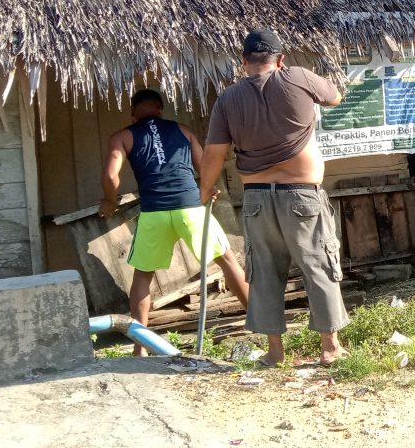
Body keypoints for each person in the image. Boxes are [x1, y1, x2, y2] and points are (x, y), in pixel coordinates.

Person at [199, 29, 350, 367]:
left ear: (243, 62)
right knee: (318, 267)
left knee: (264, 273)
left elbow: (213, 154)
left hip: (256, 201)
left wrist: (205, 190)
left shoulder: (227, 99)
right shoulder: (295, 76)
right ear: (281, 60)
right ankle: (330, 348)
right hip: (302, 197)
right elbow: (334, 96)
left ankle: (275, 353)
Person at [100, 88, 249, 356]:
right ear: (159, 109)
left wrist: (109, 202)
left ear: (133, 114)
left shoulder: (122, 136)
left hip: (154, 212)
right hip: (190, 208)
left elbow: (112, 176)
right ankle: (259, 323)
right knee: (227, 261)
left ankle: (140, 348)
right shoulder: (182, 130)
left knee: (143, 276)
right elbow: (205, 164)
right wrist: (208, 187)